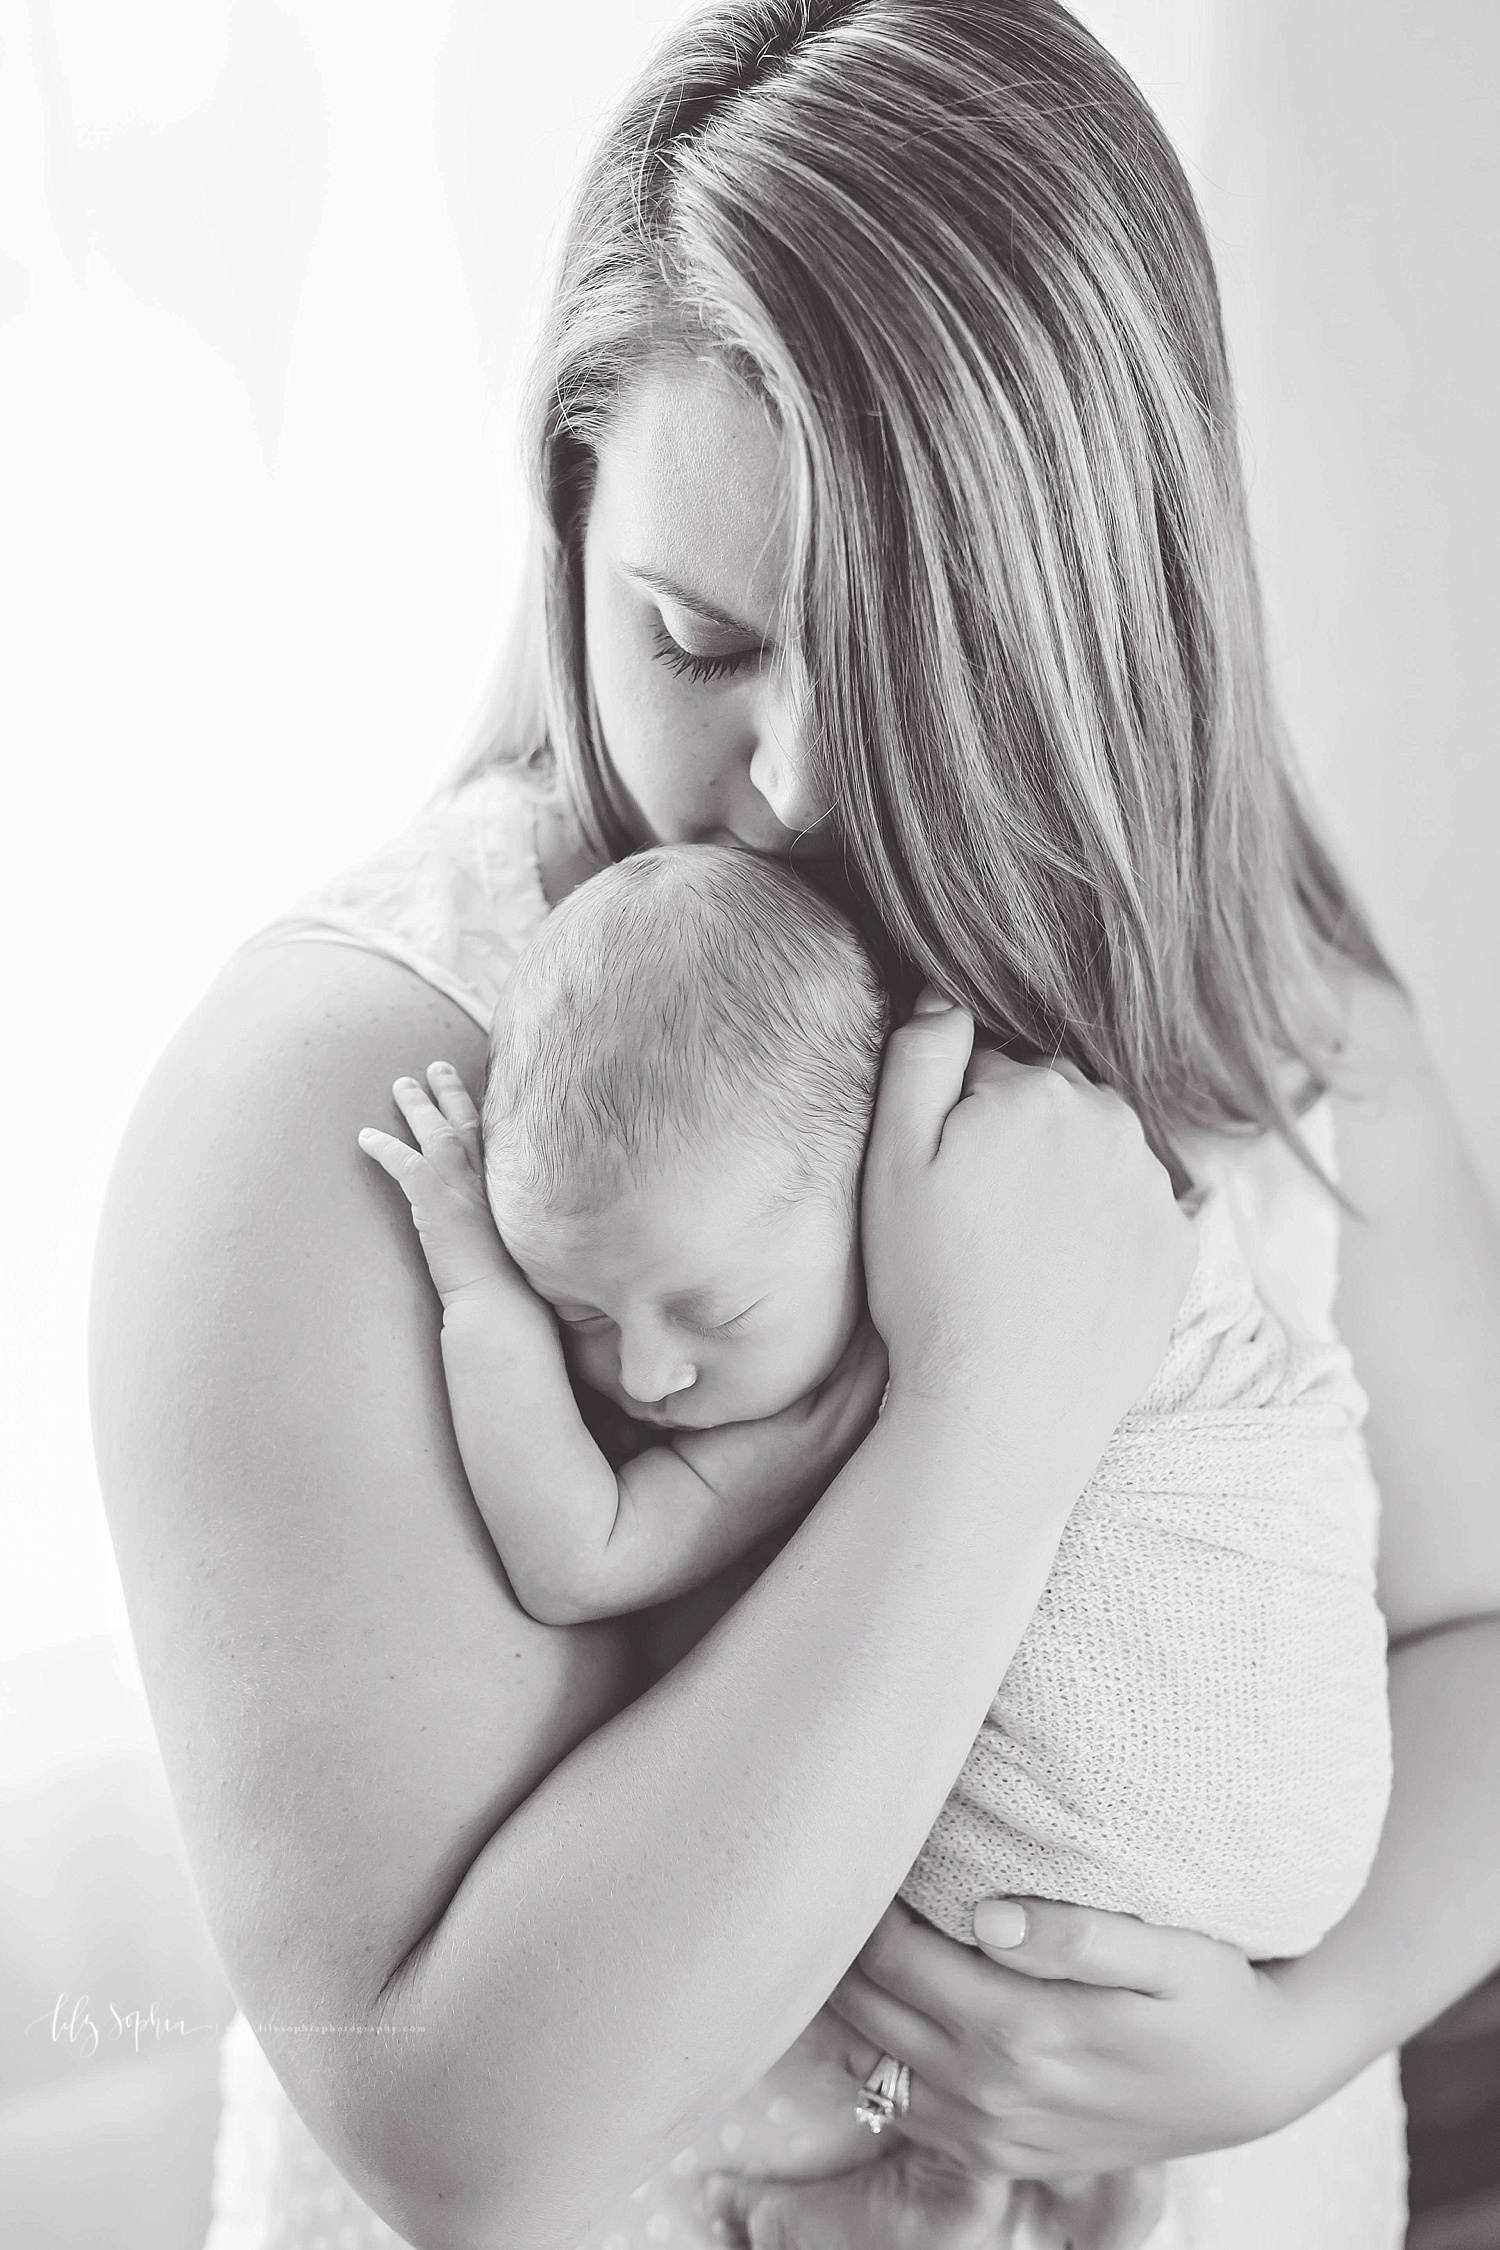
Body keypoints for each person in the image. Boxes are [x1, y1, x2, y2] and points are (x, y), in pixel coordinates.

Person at [87, 5, 1500, 2249]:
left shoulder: (1275, 1017)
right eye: (699, 638)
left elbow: (1477, 1636)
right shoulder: (362, 1110)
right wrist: (982, 1405)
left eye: (924, 651)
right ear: (566, 522)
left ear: (1101, 613)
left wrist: (1300, 2029)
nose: (803, 783)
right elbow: (466, 2131)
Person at [355, 838, 1393, 2248]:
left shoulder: (828, 1409)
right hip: (1301, 1875)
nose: (647, 1376)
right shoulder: (1046, 1204)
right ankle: (1077, 2179)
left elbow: (578, 1553)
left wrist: (479, 1290)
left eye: (706, 1312)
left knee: (879, 1927)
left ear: (868, 1194)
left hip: (1109, 1853)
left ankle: (934, 2179)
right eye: (582, 1318)